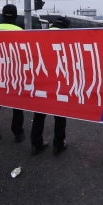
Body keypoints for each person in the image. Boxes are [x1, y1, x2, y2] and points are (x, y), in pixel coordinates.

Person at [0, 5, 26, 145]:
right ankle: (18, 133)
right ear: (15, 16)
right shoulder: (20, 31)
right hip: (14, 74)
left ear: (2, 15)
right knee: (17, 105)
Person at [30, 16, 70, 156]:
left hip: (41, 81)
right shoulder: (68, 38)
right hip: (59, 82)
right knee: (59, 114)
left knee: (39, 114)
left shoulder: (40, 36)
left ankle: (36, 143)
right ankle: (58, 144)